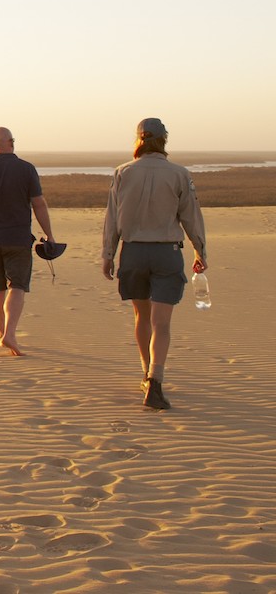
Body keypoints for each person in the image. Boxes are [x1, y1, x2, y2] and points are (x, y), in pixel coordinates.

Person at [102, 118, 207, 410]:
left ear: (139, 140)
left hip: (133, 252)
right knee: (162, 323)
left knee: (142, 318)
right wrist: (201, 251)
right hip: (166, 253)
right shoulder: (179, 174)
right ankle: (155, 380)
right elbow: (191, 217)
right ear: (164, 140)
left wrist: (108, 254)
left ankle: (147, 374)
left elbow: (112, 217)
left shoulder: (122, 172)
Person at [0, 127, 56, 356]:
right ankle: (9, 333)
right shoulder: (26, 169)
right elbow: (39, 204)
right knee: (17, 286)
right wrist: (49, 234)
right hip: (18, 238)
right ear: (12, 142)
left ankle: (1, 334)